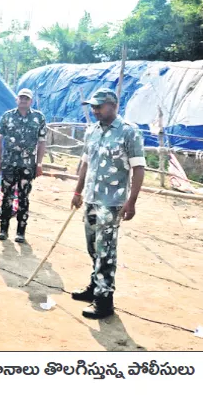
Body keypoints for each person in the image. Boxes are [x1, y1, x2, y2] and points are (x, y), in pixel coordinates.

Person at [71, 88, 146, 319]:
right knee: (93, 247)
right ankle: (95, 287)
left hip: (111, 203)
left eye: (98, 106)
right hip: (92, 200)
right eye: (92, 106)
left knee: (106, 252)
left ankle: (104, 302)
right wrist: (77, 190)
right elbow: (85, 163)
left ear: (113, 106)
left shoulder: (128, 132)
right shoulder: (92, 131)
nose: (94, 110)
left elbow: (138, 168)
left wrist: (131, 202)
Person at [0, 88, 47, 243]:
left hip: (27, 165)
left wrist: (39, 163)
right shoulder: (7, 116)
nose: (24, 101)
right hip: (9, 164)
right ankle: (3, 229)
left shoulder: (39, 118)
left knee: (24, 198)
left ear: (31, 101)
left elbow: (42, 142)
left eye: (27, 99)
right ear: (17, 100)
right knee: (7, 197)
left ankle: (20, 232)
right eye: (21, 98)